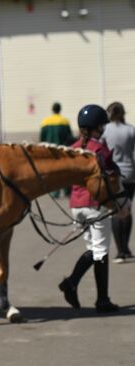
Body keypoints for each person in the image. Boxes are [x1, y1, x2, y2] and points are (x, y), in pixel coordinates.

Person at [58, 104, 130, 313]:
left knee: (95, 249)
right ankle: (80, 287)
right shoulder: (99, 149)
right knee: (101, 250)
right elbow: (111, 179)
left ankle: (97, 296)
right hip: (95, 204)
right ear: (98, 126)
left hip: (76, 206)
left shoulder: (72, 148)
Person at [102, 102, 135, 263]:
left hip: (113, 175)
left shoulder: (105, 130)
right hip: (129, 173)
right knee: (127, 209)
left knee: (115, 211)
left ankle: (119, 250)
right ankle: (126, 248)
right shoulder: (130, 129)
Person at [39, 102, 75, 198]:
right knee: (65, 172)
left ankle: (54, 193)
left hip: (50, 152)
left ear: (52, 109)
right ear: (60, 109)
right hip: (62, 151)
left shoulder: (45, 122)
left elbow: (42, 138)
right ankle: (67, 191)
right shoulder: (64, 121)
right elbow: (69, 137)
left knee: (52, 172)